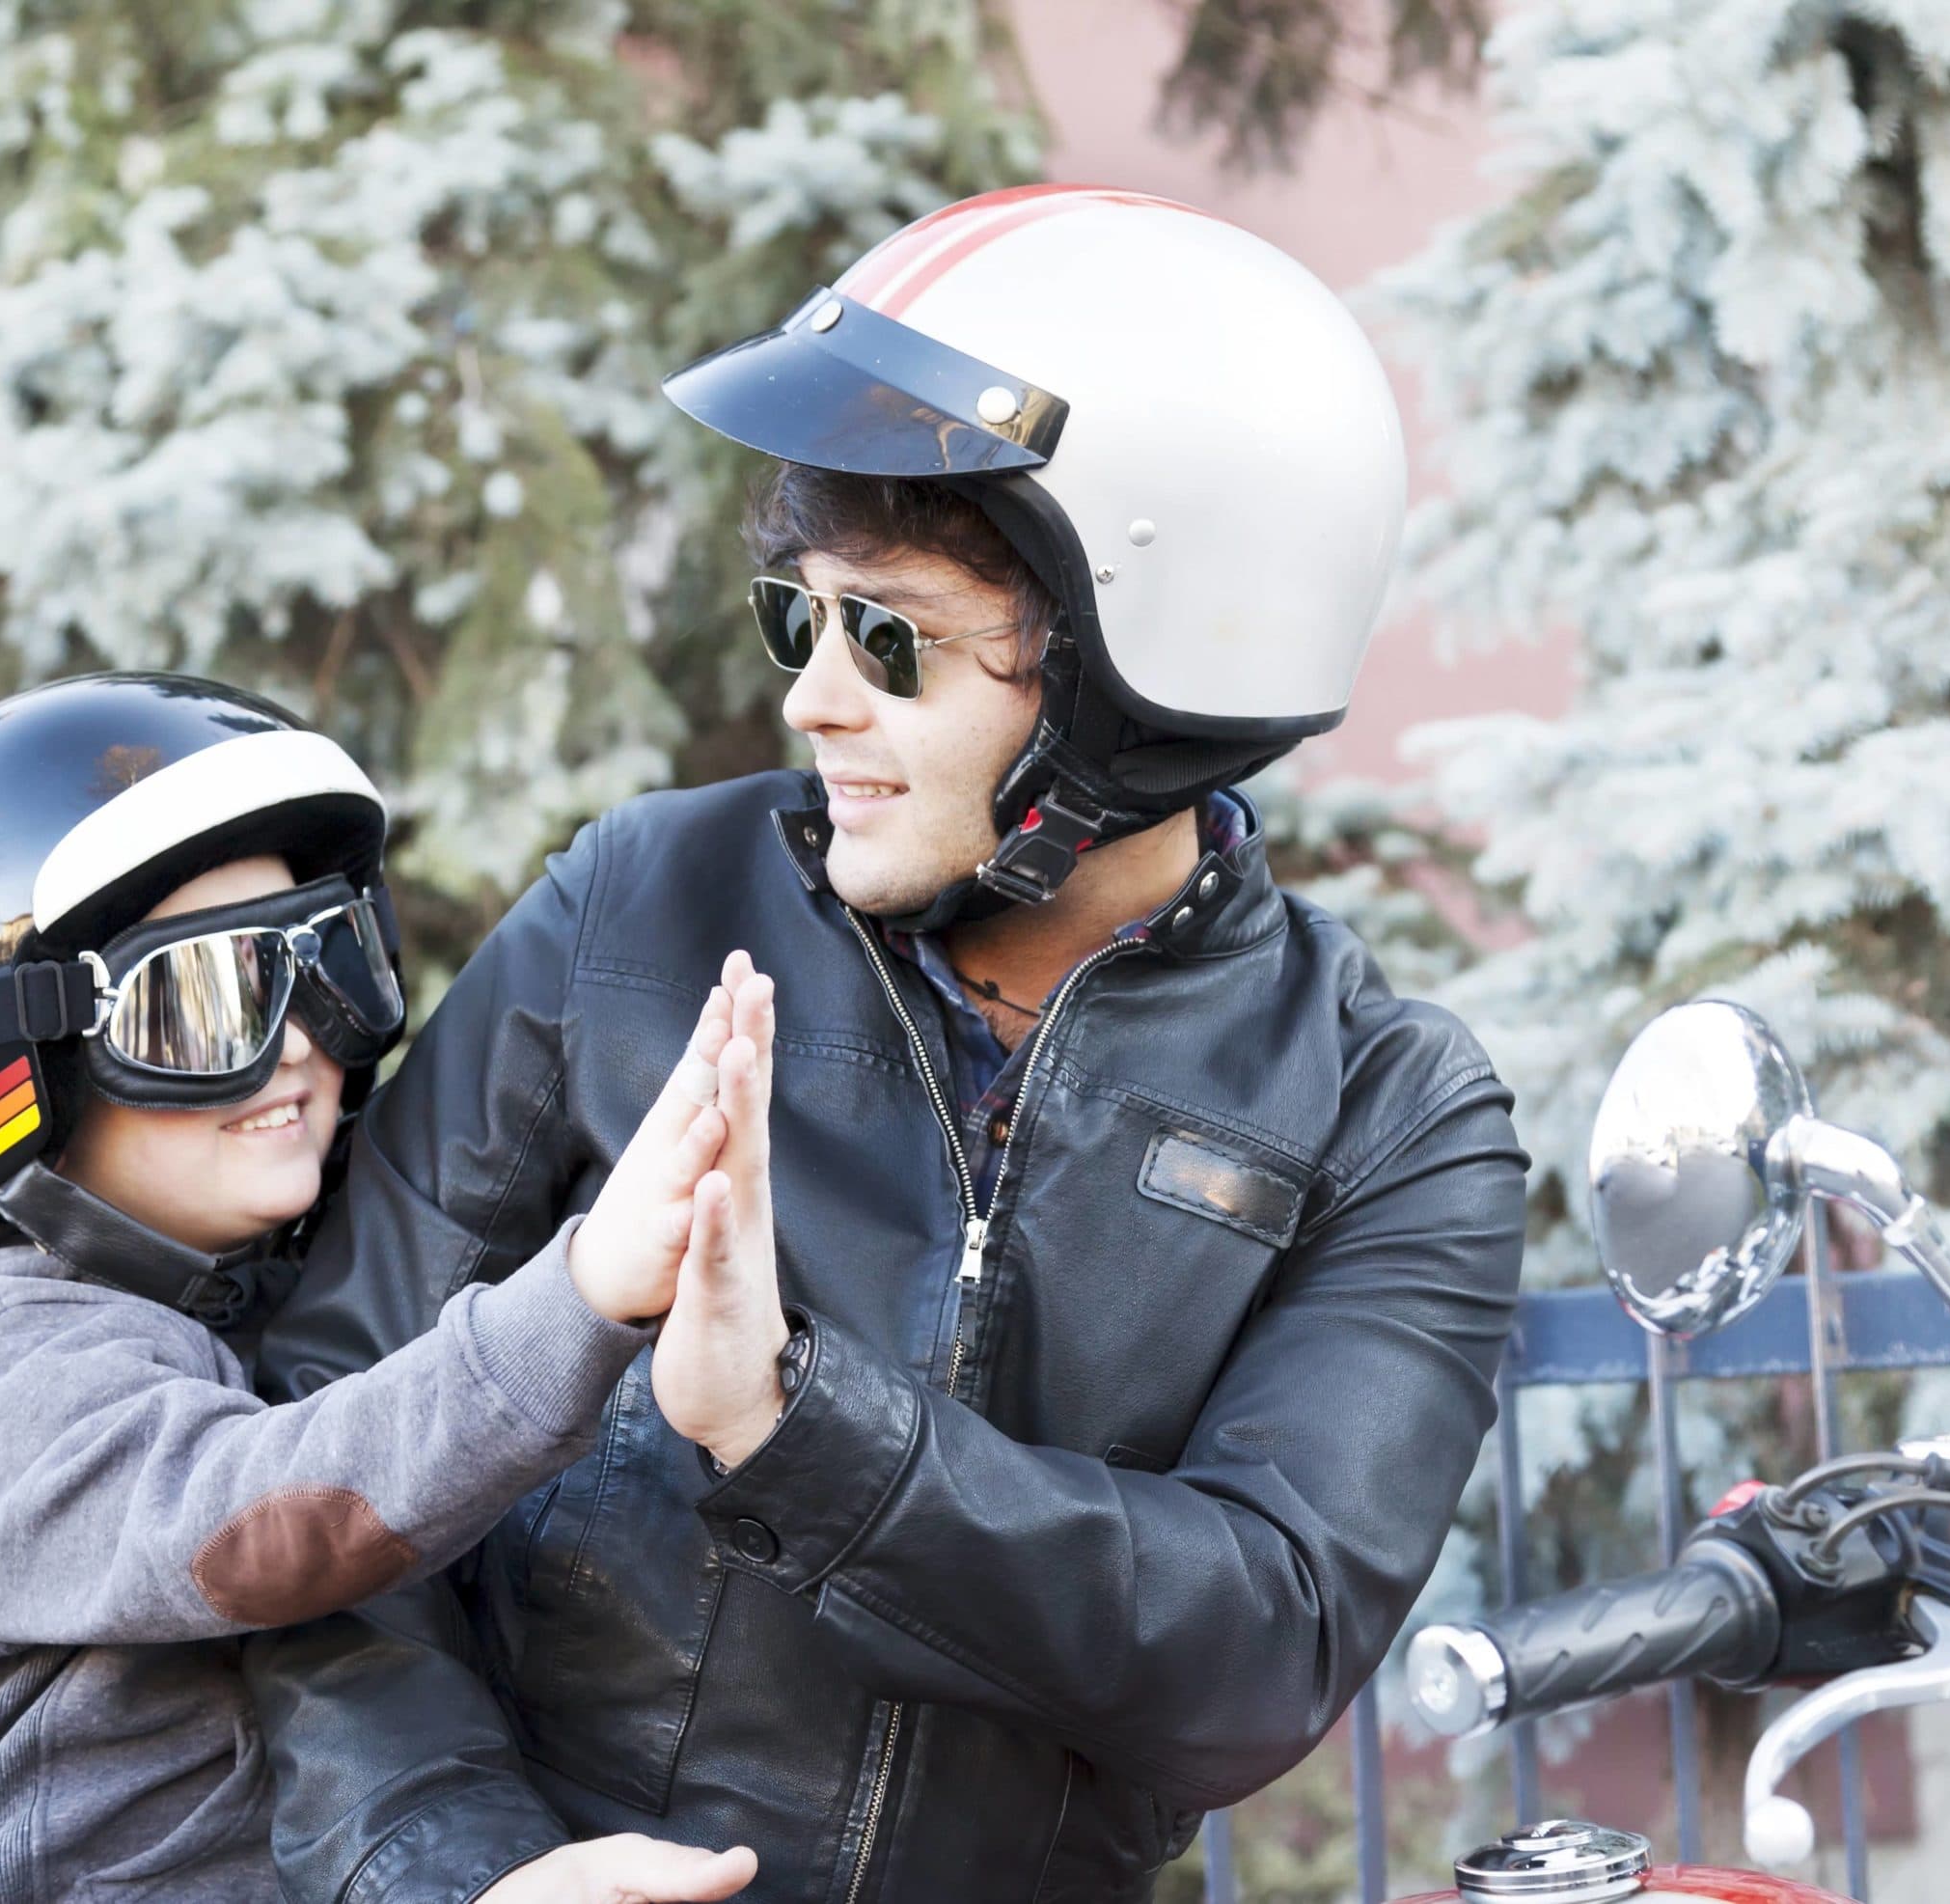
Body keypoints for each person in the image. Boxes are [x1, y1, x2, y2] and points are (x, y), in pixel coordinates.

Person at [247, 186, 1530, 1903]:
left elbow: (1258, 1642)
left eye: (893, 637)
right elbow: (325, 1445)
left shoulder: (1386, 1106)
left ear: (1144, 671)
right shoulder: (640, 907)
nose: (811, 695)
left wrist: (792, 1427)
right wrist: (457, 1868)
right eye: (799, 613)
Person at [0, 673, 764, 1902]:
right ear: (4, 1077)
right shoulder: (3, 1362)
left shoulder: (245, 1311)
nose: (301, 1042)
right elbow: (253, 1523)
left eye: (328, 968)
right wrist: (576, 1296)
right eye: (204, 1004)